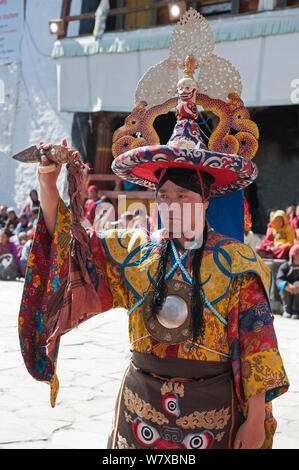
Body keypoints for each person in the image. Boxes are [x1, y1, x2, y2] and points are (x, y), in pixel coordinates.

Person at [18, 13, 289, 450]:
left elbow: (258, 345)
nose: (173, 207)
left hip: (212, 415)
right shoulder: (135, 251)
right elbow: (72, 251)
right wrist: (49, 185)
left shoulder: (238, 264)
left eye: (184, 199)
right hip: (139, 411)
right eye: (165, 198)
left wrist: (254, 419)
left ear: (204, 201)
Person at [276, 244, 299, 319]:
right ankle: (287, 310)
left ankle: (296, 311)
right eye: (297, 253)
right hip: (288, 291)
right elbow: (279, 280)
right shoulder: (285, 267)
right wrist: (287, 287)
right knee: (284, 288)